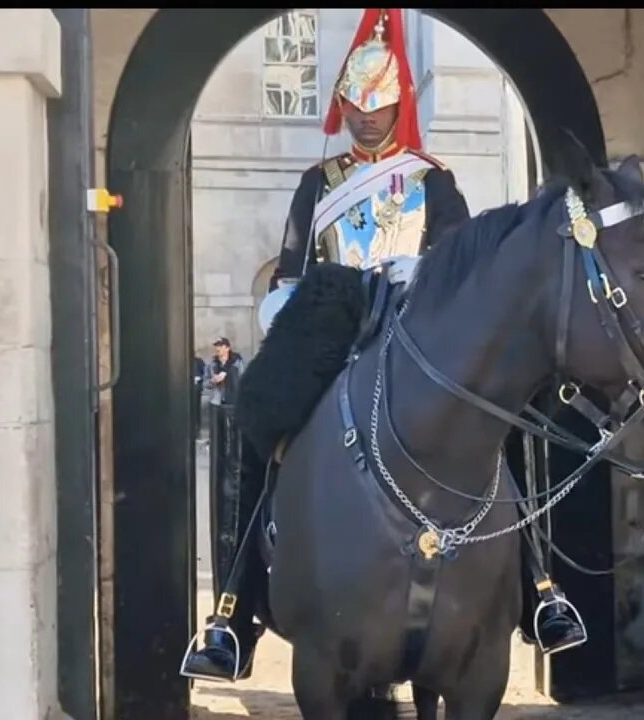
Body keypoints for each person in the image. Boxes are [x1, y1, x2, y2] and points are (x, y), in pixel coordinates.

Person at [182, 8, 585, 684]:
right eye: (359, 107)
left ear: (401, 106)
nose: (369, 119)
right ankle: (233, 610)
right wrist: (298, 299)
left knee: (506, 418)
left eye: (382, 107)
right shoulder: (320, 182)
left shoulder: (434, 183)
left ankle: (542, 591)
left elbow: (462, 266)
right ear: (344, 106)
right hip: (330, 327)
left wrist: (413, 276)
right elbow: (290, 268)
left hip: (417, 328)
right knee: (255, 419)